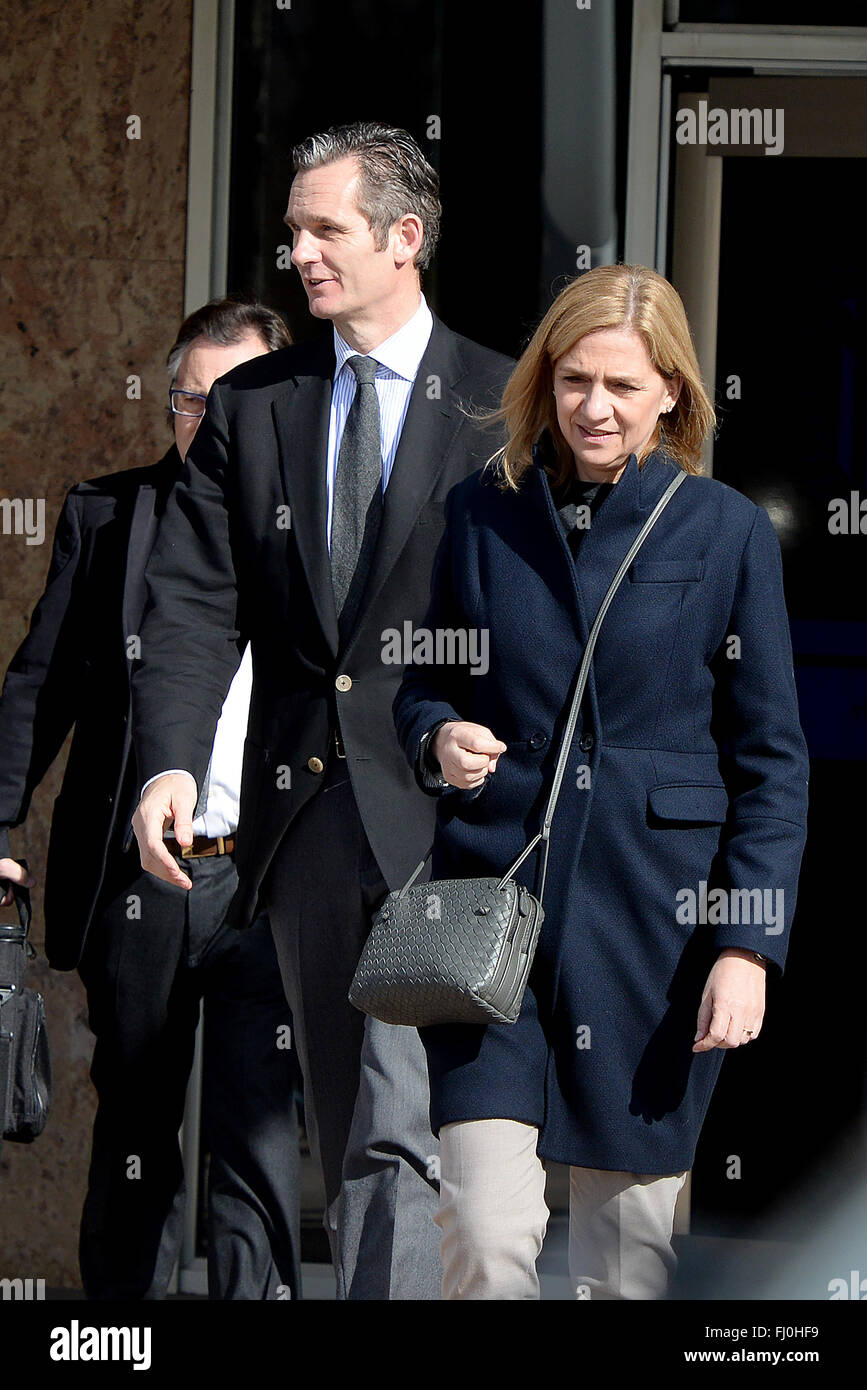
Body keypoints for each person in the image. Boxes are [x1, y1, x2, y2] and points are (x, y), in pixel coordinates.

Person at [129, 122, 513, 1300]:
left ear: (404, 239)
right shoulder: (254, 407)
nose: (297, 251)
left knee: (397, 1129)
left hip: (451, 816)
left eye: (323, 228)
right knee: (350, 1121)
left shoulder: (499, 402)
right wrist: (169, 764)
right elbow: (191, 602)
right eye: (292, 229)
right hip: (304, 827)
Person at [393, 263, 810, 1300]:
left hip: (651, 944)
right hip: (492, 928)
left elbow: (770, 762)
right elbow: (420, 687)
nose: (593, 406)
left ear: (670, 390)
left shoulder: (723, 532)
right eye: (574, 379)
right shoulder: (481, 515)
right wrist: (438, 736)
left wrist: (746, 947)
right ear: (544, 380)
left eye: (622, 385)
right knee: (486, 1239)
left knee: (624, 1266)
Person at [0, 296, 303, 1301]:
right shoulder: (107, 513)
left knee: (256, 1133)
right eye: (188, 399)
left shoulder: (321, 529)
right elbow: (36, 686)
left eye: (236, 396)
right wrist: (0, 822)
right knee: (133, 1128)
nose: (208, 419)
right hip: (149, 879)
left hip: (270, 879)